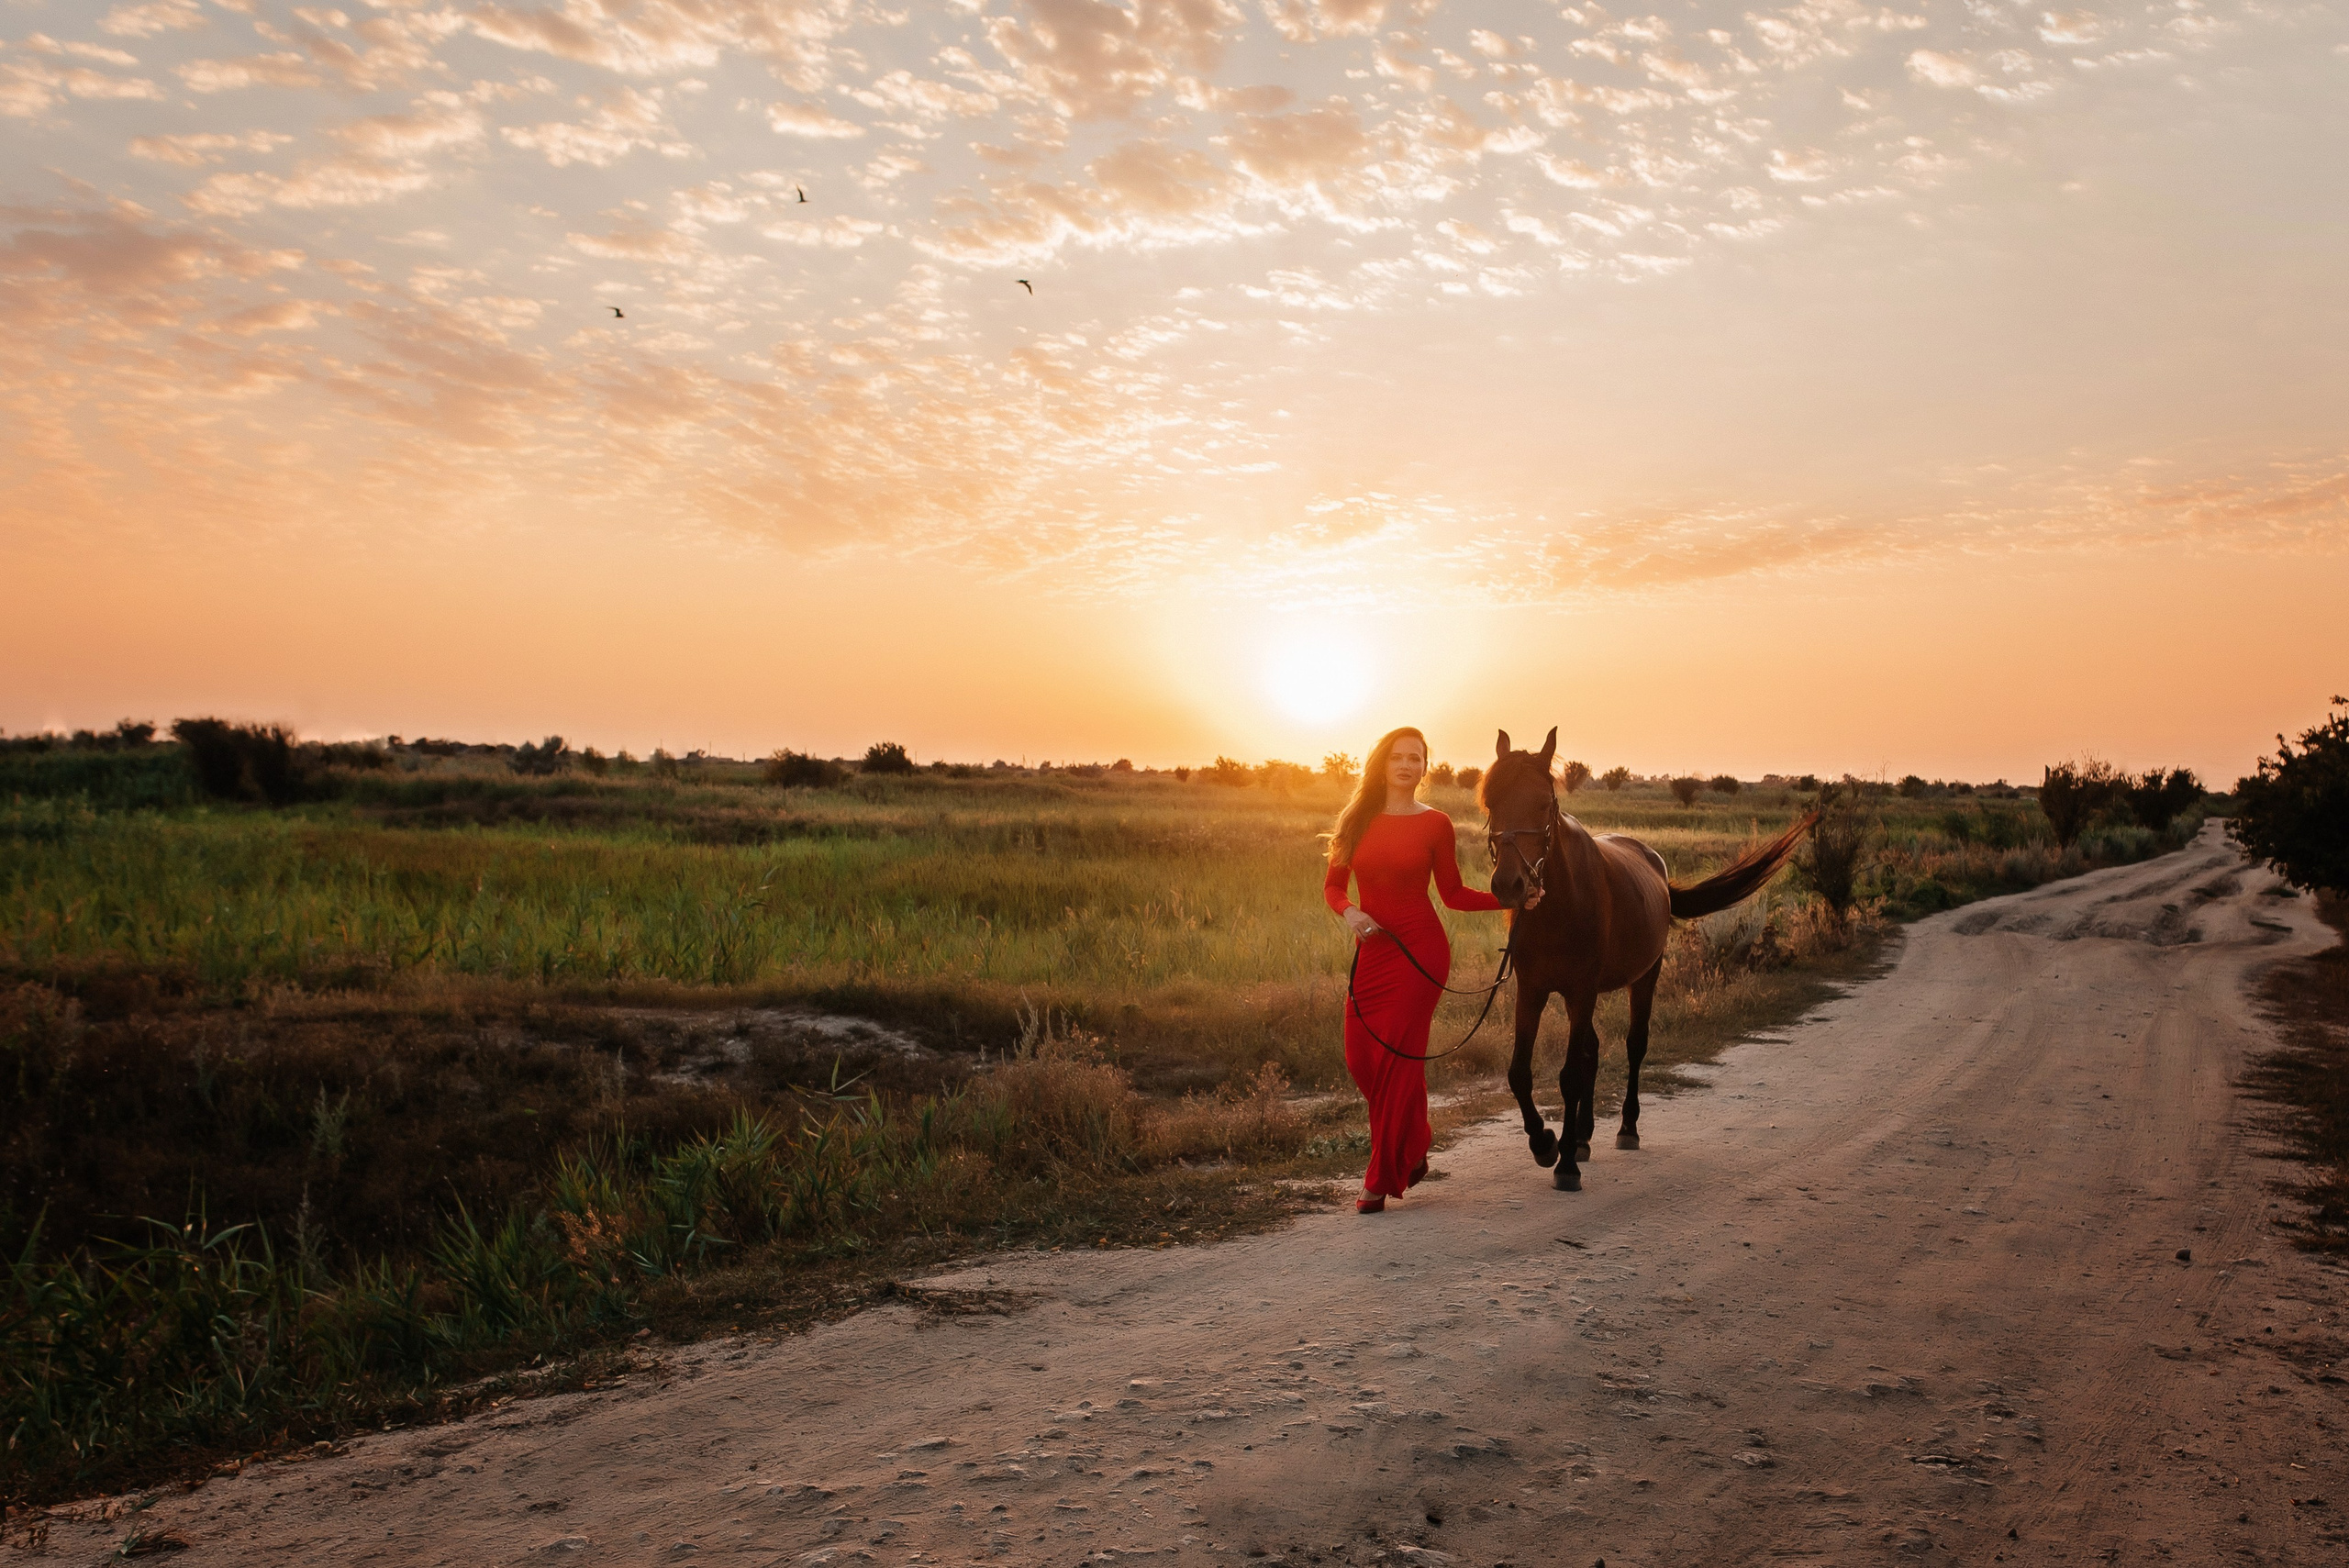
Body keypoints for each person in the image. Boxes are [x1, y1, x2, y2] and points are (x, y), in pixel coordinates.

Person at [1322, 728, 1526, 1214]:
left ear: (1424, 768)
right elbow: (1333, 886)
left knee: (1397, 1061)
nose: (1406, 765)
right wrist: (1351, 911)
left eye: (1416, 758)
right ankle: (1413, 1142)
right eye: (1398, 756)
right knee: (1361, 1058)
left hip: (1420, 953)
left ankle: (1379, 1179)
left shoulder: (1436, 823)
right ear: (1382, 763)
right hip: (1373, 954)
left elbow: (1452, 894)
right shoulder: (1355, 819)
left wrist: (1510, 899)